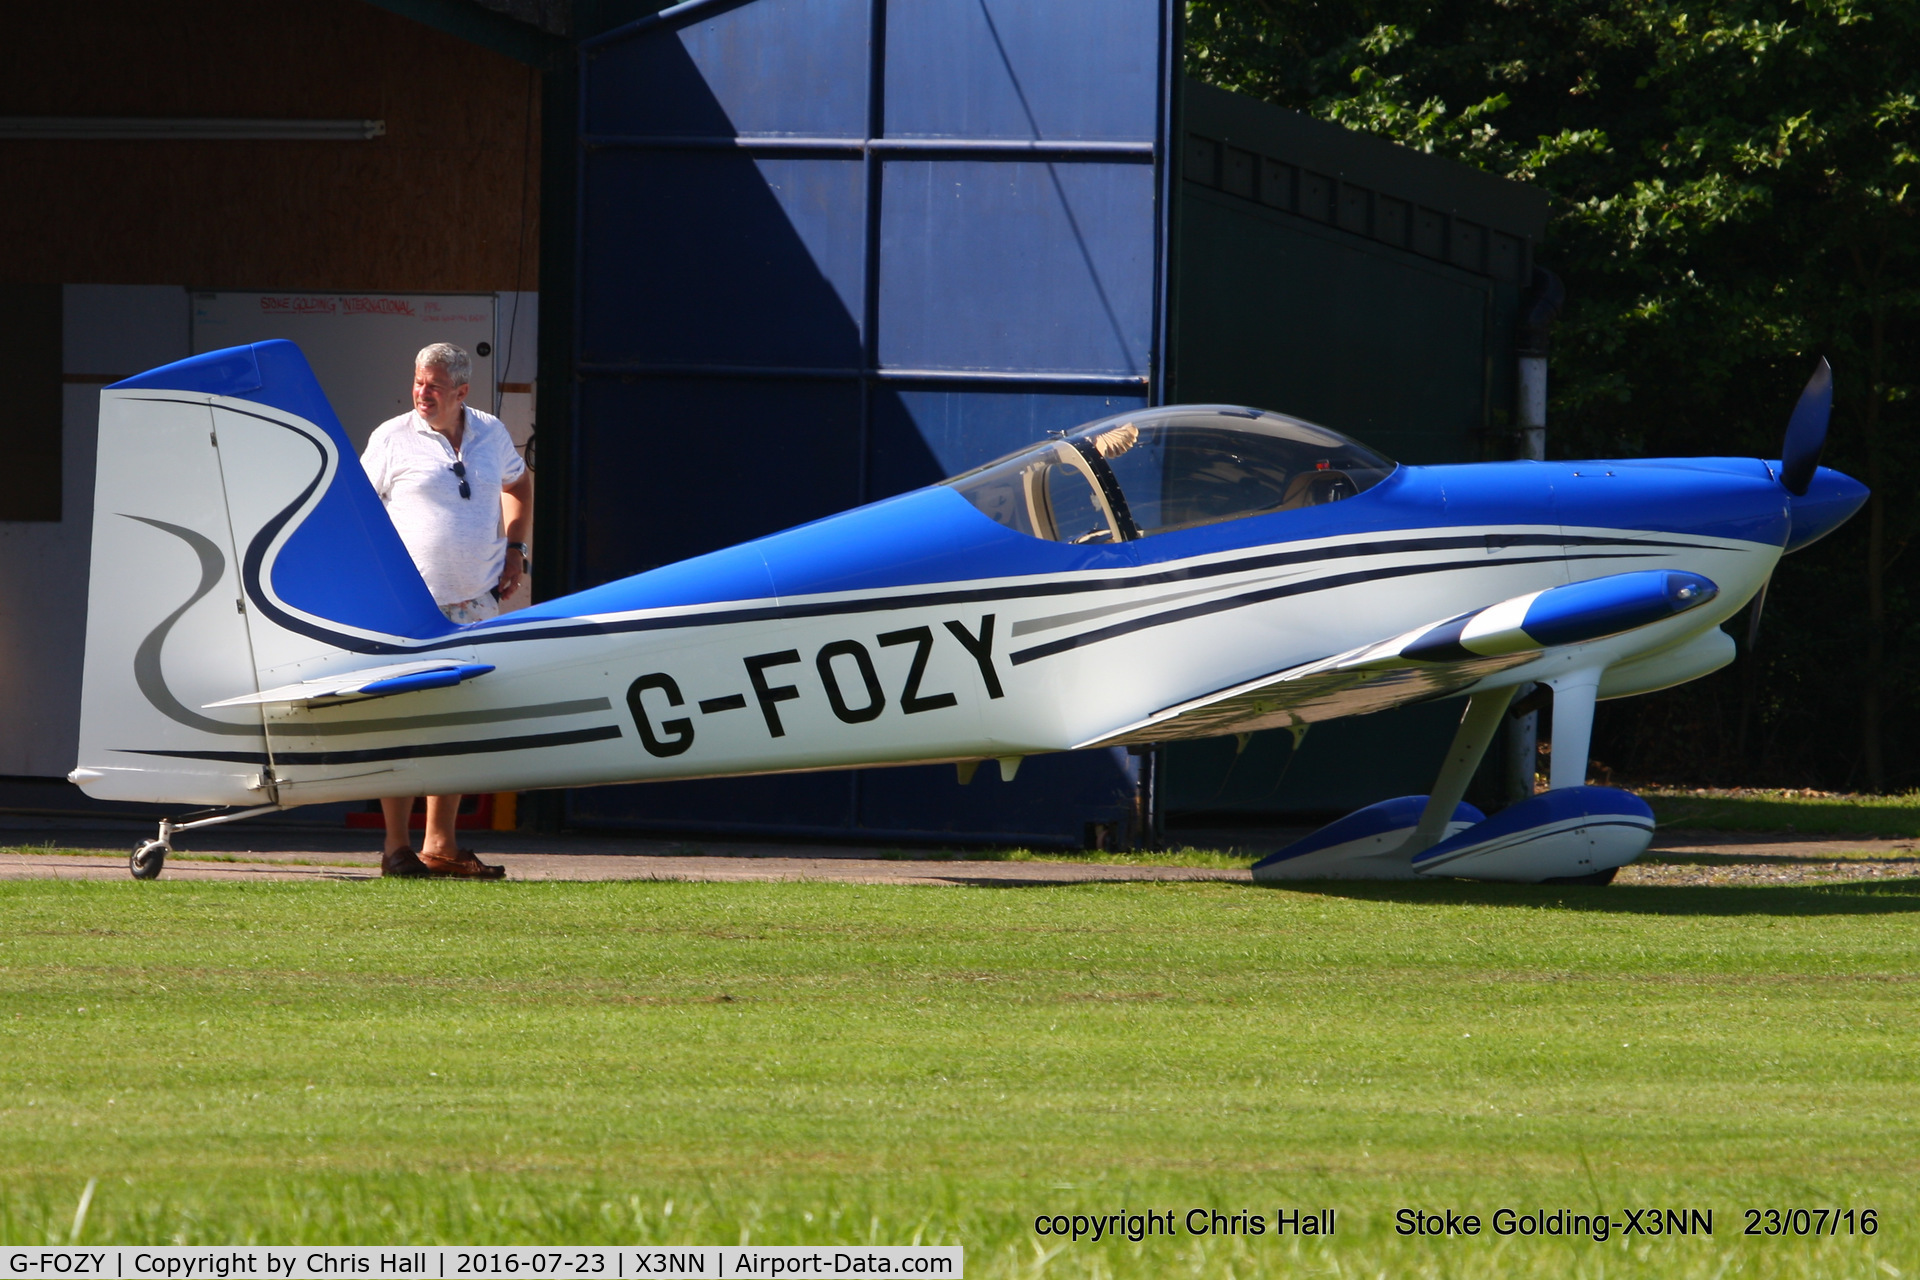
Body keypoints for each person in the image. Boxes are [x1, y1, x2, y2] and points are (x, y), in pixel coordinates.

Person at [361, 343, 533, 878]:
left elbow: (519, 483)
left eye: (434, 386)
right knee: (403, 723)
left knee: (456, 725)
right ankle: (395, 847)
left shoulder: (490, 433)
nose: (421, 393)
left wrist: (515, 549)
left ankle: (441, 843)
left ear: (462, 392)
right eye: (417, 381)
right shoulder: (392, 438)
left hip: (476, 605)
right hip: (409, 610)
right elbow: (356, 512)